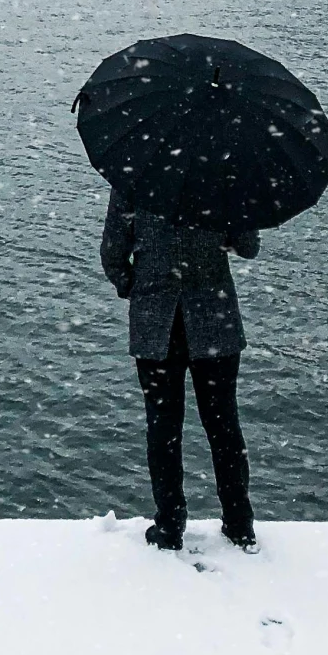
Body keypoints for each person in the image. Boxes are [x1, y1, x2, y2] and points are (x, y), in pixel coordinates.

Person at [99, 186, 259, 551]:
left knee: (163, 428)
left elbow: (112, 254)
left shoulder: (133, 176)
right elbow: (249, 246)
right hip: (215, 322)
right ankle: (239, 524)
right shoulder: (223, 172)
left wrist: (135, 287)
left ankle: (170, 525)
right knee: (223, 425)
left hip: (157, 324)